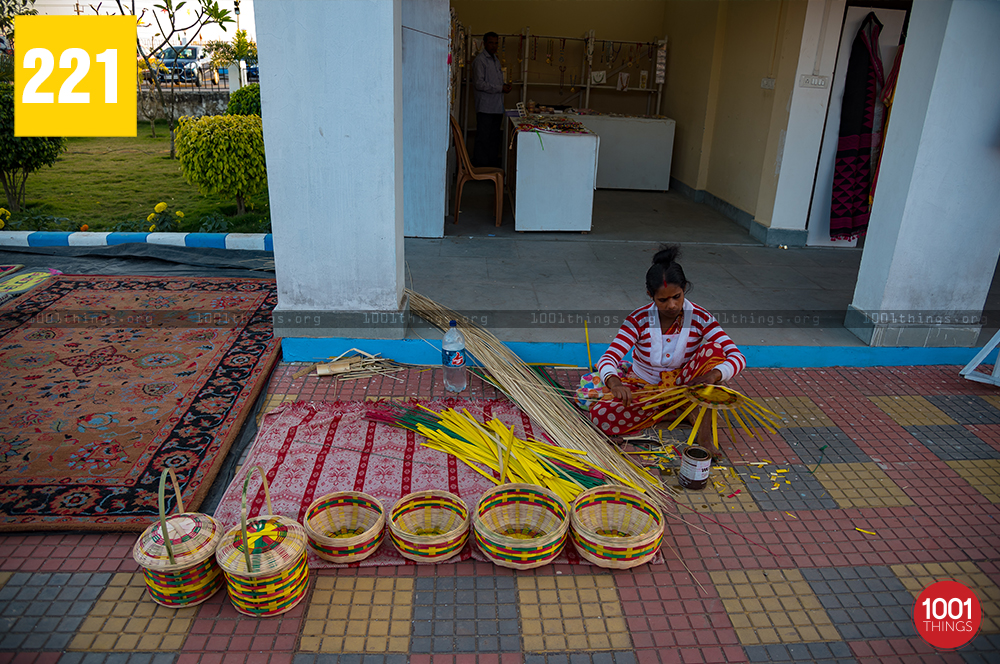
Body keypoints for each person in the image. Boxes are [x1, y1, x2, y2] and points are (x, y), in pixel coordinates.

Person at [578, 245, 746, 454]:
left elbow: (737, 357)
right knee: (600, 414)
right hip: (645, 388)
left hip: (686, 385)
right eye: (663, 300)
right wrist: (614, 383)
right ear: (650, 295)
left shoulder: (701, 317)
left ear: (684, 288)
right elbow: (608, 358)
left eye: (677, 296)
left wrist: (713, 375)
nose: (672, 305)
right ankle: (679, 411)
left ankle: (702, 434)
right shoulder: (638, 320)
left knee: (713, 351)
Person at [472, 32, 513, 168]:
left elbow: (495, 82)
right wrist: (500, 88)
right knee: (483, 139)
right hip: (485, 108)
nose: (494, 46)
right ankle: (481, 169)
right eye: (491, 42)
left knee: (494, 138)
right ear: (484, 43)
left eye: (496, 43)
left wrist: (504, 86)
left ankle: (491, 167)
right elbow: (479, 84)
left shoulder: (496, 60)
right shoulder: (480, 60)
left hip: (496, 107)